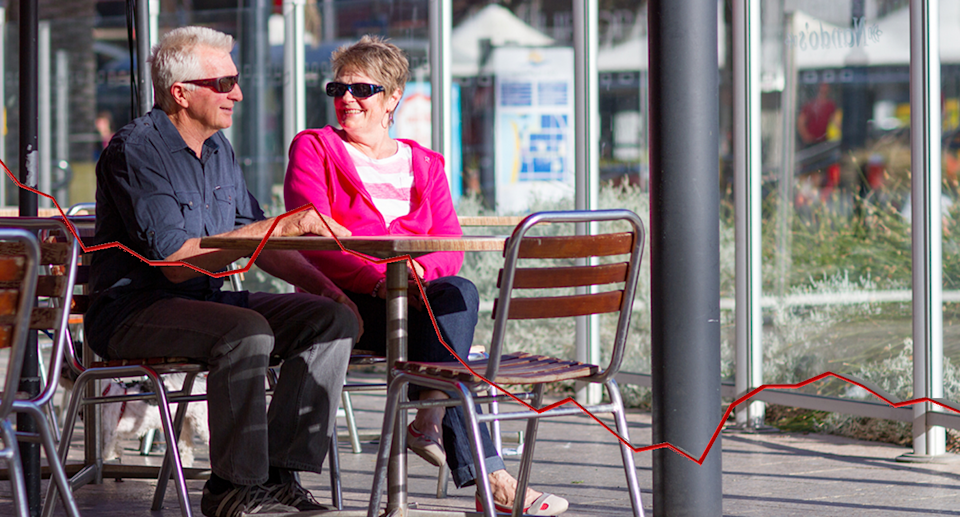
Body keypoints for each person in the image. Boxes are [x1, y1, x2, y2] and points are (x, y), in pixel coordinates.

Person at [284, 35, 568, 515]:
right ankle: (482, 468)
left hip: (416, 304)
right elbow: (313, 238)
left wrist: (416, 271)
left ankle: (437, 412)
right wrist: (379, 280)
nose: (346, 99)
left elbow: (448, 246)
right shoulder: (315, 148)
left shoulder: (426, 163)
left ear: (393, 97)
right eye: (338, 89)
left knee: (457, 292)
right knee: (447, 329)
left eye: (362, 89)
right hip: (350, 303)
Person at [87, 26, 363, 517]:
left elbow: (257, 237)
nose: (237, 92)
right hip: (134, 311)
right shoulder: (136, 150)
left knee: (330, 321)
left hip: (206, 305)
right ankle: (232, 489)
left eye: (235, 80)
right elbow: (174, 265)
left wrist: (330, 292)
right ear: (181, 92)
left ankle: (279, 476)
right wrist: (281, 225)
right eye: (224, 83)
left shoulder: (219, 150)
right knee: (245, 331)